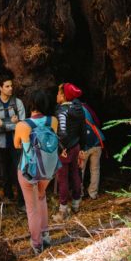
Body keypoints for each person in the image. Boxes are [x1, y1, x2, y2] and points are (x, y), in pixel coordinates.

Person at [14, 89, 58, 255]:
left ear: (30, 104)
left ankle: (37, 243)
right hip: (47, 169)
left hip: (29, 171)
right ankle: (46, 235)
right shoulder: (52, 121)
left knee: (31, 208)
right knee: (42, 198)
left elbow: (17, 145)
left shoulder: (23, 125)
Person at [0, 72, 26, 207]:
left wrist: (2, 124)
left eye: (11, 86)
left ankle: (21, 201)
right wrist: (12, 125)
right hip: (0, 145)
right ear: (0, 88)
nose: (10, 88)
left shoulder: (18, 103)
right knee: (4, 173)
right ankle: (8, 196)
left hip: (17, 145)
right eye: (7, 86)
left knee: (19, 172)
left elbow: (22, 125)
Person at [52, 82, 86, 221]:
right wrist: (82, 148)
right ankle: (76, 205)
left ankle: (63, 211)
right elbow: (83, 130)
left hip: (65, 149)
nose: (57, 95)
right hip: (76, 146)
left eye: (59, 93)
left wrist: (61, 148)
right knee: (76, 175)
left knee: (63, 179)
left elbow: (62, 132)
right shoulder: (79, 109)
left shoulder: (61, 111)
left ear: (64, 96)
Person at [81, 100, 106, 199]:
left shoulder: (72, 109)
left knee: (80, 170)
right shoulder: (87, 108)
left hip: (84, 146)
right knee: (95, 169)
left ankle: (79, 194)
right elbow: (97, 121)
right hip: (97, 141)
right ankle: (93, 193)